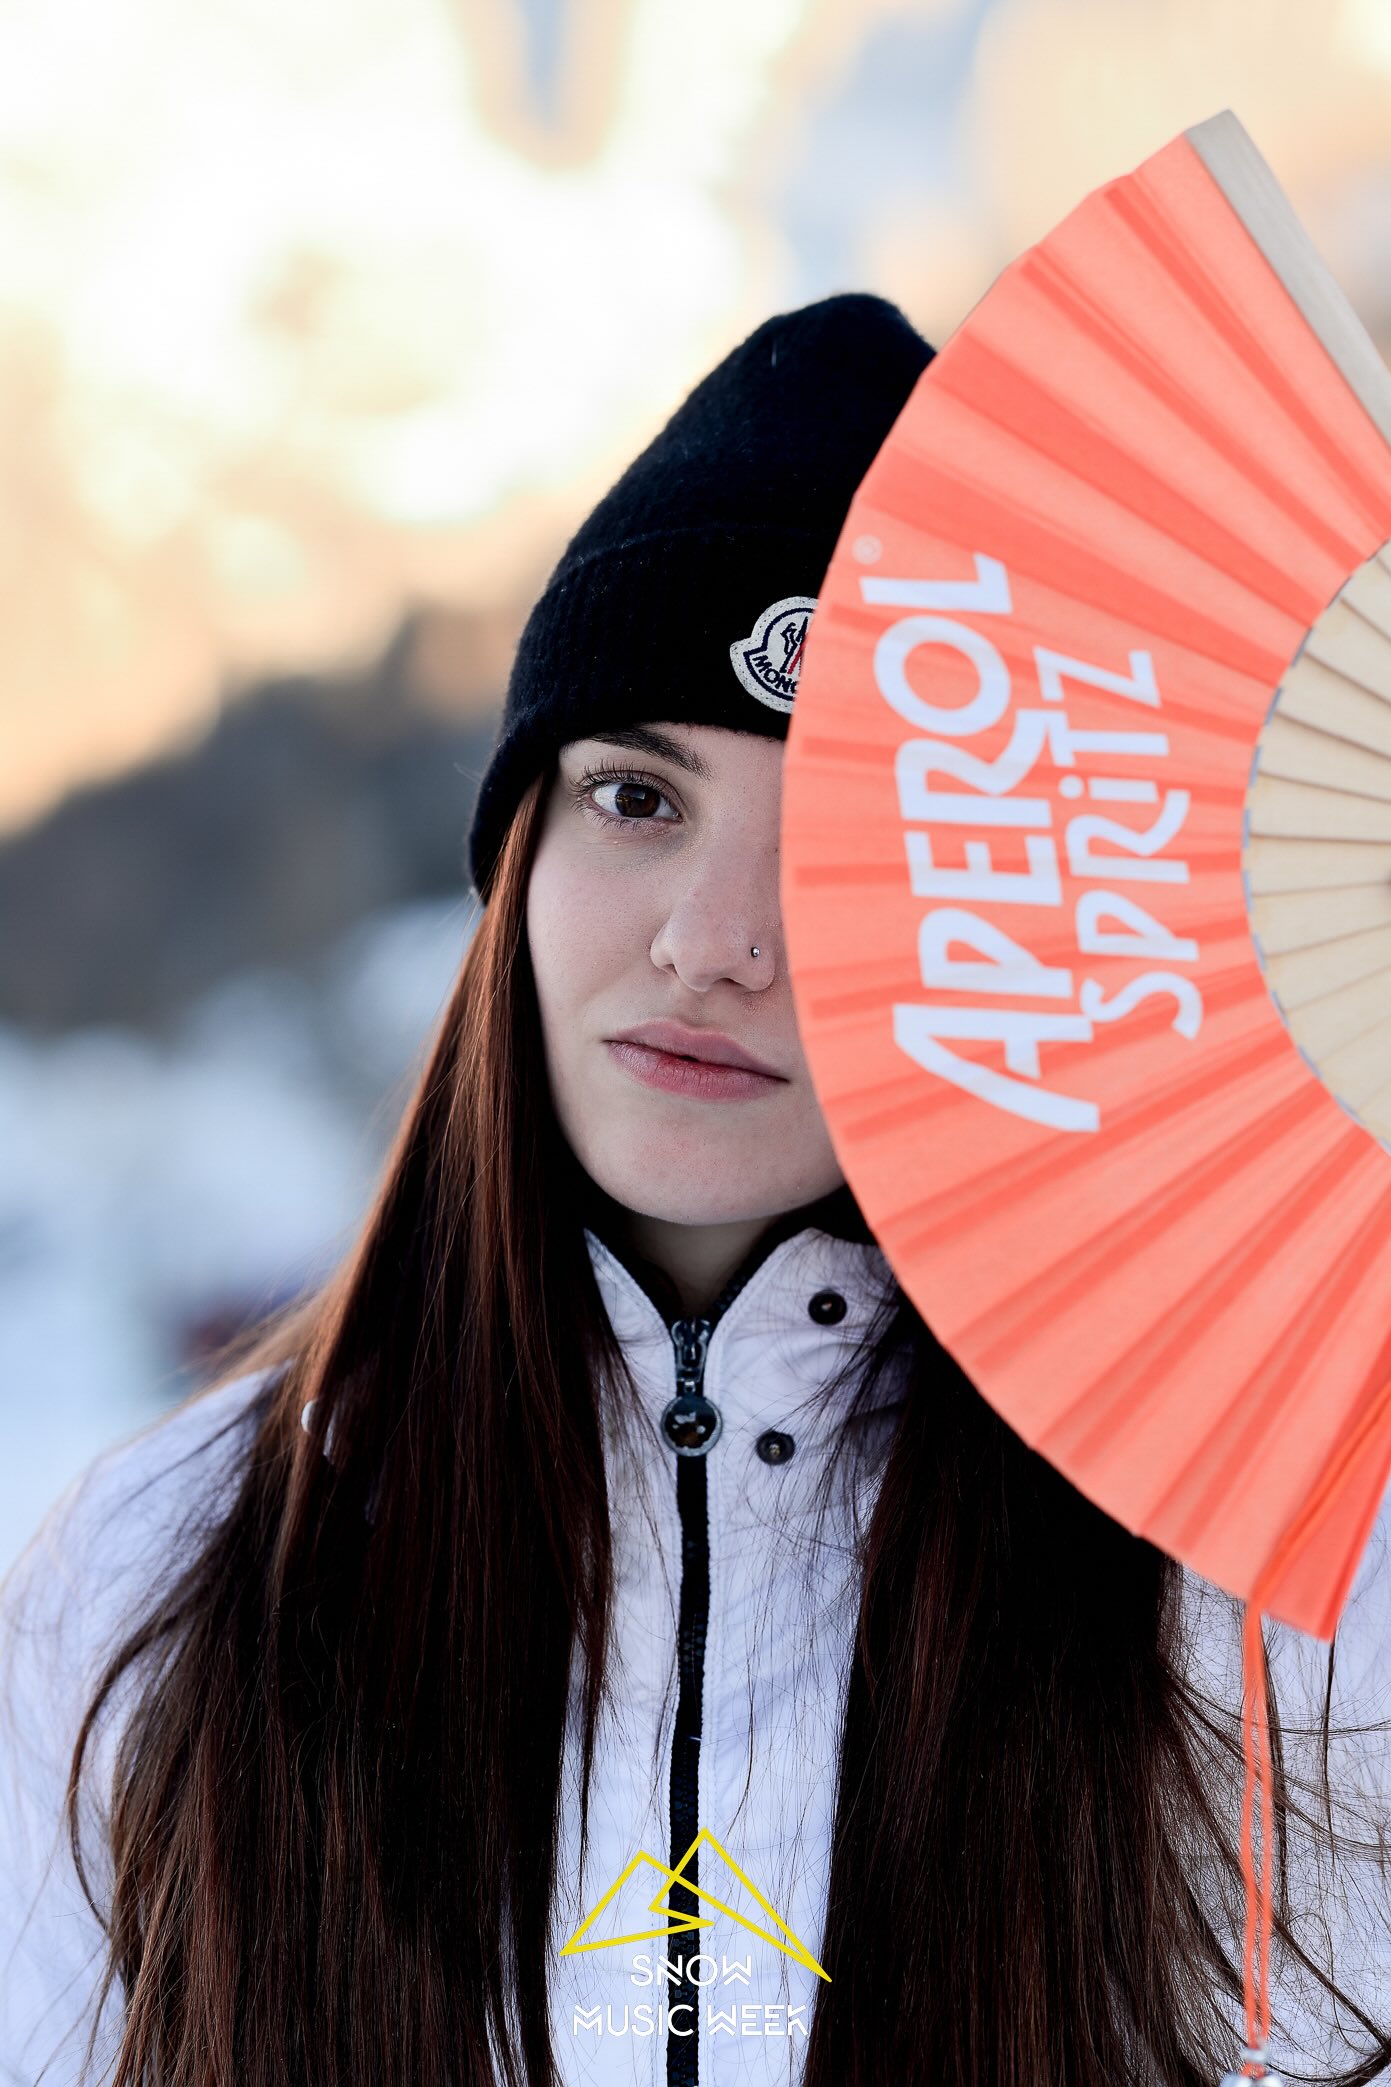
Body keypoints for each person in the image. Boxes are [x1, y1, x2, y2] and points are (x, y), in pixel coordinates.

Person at [2, 293, 1390, 2087]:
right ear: (517, 857)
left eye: (849, 843)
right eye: (637, 796)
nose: (714, 940)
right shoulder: (163, 1581)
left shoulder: (1245, 1596)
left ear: (1005, 950)